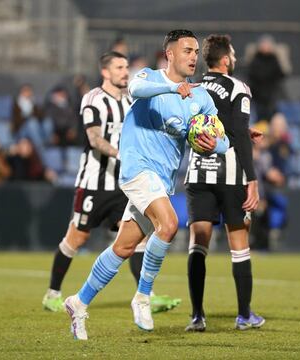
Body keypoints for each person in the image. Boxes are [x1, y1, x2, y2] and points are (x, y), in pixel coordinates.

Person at [64, 29, 229, 340]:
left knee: (123, 247)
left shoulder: (201, 96)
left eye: (196, 51)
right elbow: (135, 90)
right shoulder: (148, 77)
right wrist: (171, 89)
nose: (194, 56)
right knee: (168, 224)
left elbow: (223, 140)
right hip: (138, 169)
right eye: (187, 50)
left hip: (161, 180)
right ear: (170, 54)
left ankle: (78, 301)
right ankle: (143, 297)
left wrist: (211, 144)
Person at [184, 34, 265, 331]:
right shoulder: (237, 86)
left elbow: (194, 125)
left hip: (197, 174)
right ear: (226, 59)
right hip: (230, 176)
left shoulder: (193, 87)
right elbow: (238, 132)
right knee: (239, 245)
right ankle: (244, 315)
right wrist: (253, 180)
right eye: (232, 54)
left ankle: (197, 316)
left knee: (198, 244)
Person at [42, 51, 131, 311]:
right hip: (93, 183)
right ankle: (52, 294)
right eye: (119, 67)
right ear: (105, 72)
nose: (125, 71)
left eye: (126, 67)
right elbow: (94, 139)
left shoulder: (131, 101)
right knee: (76, 240)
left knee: (136, 235)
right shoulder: (93, 99)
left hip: (122, 184)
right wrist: (121, 154)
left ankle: (144, 298)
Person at [248, 35, 285, 122]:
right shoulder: (255, 60)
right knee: (259, 117)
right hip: (258, 95)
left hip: (271, 95)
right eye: (263, 44)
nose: (265, 47)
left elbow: (280, 74)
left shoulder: (274, 59)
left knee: (272, 115)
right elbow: (252, 75)